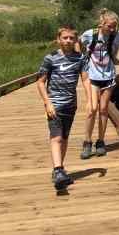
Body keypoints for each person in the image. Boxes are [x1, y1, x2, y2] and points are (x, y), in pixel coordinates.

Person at [37, 24, 92, 190]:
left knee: (65, 137)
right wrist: (47, 103)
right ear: (58, 40)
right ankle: (58, 169)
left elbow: (85, 79)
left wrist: (90, 100)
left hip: (70, 104)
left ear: (76, 40)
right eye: (65, 38)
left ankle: (59, 169)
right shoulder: (50, 58)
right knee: (56, 137)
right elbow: (40, 82)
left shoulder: (80, 58)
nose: (68, 41)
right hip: (54, 104)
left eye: (71, 38)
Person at [79, 8, 119, 159]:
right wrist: (81, 59)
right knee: (92, 109)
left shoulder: (118, 36)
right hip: (92, 76)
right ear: (102, 23)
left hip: (109, 77)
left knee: (104, 109)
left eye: (115, 26)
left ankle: (100, 142)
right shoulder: (90, 34)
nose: (112, 29)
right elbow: (78, 42)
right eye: (109, 26)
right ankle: (87, 142)